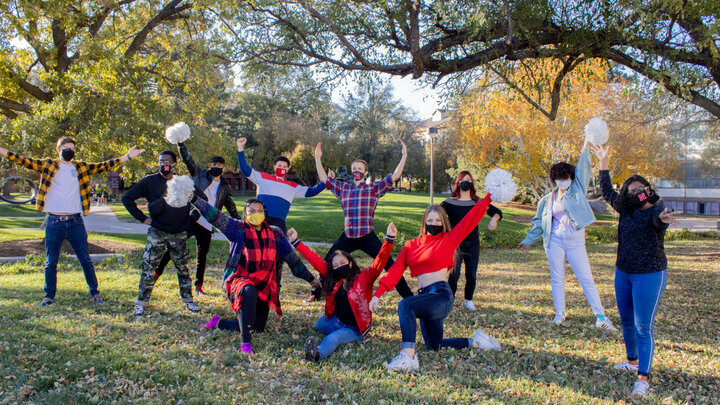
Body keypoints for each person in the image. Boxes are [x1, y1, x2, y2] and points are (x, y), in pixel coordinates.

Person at [0, 137, 143, 306]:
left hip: (75, 222)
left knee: (85, 260)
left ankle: (95, 293)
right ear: (58, 149)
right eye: (66, 147)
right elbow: (22, 160)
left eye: (72, 148)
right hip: (54, 222)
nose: (69, 150)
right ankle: (48, 296)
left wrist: (127, 156)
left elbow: (103, 165)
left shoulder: (81, 167)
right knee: (51, 261)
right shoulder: (47, 165)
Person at [369, 196, 502, 372]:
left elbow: (471, 219)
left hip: (440, 295)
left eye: (438, 220)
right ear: (424, 222)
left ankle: (408, 357)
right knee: (435, 345)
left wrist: (489, 198)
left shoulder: (449, 239)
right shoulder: (412, 245)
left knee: (405, 305)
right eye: (430, 220)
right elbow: (395, 271)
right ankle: (477, 342)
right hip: (424, 298)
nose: (434, 223)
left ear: (444, 222)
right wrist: (377, 294)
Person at [593, 144, 678, 396]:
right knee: (627, 323)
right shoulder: (625, 209)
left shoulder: (656, 210)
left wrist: (664, 219)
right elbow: (607, 190)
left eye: (641, 189)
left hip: (649, 274)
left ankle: (643, 376)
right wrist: (604, 161)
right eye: (631, 190)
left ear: (648, 190)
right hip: (624, 273)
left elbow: (660, 220)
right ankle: (631, 362)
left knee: (643, 327)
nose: (637, 192)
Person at [196, 198, 321, 354]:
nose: (256, 214)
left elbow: (292, 259)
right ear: (245, 214)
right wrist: (193, 199)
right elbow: (214, 215)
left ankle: (217, 322)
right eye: (252, 211)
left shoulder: (276, 233)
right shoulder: (237, 228)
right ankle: (245, 345)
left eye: (260, 211)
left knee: (257, 327)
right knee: (248, 291)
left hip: (265, 285)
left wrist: (311, 280)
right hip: (239, 280)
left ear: (264, 213)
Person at [519, 141, 617, 331]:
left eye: (566, 177)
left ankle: (600, 316)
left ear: (571, 178)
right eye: (559, 178)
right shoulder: (546, 201)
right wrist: (528, 241)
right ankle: (560, 313)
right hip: (553, 240)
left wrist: (586, 146)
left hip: (575, 240)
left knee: (585, 277)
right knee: (557, 278)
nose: (563, 180)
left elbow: (584, 167)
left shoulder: (577, 188)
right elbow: (539, 222)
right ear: (554, 179)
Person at [315, 141, 413, 299]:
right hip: (348, 237)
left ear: (365, 172)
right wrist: (317, 158)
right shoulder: (343, 188)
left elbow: (394, 176)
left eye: (360, 169)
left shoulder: (373, 188)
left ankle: (408, 296)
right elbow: (324, 179)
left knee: (390, 266)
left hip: (368, 237)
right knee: (327, 263)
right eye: (354, 168)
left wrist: (404, 156)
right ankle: (316, 292)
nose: (356, 171)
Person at [285, 223, 396, 362]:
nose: (339, 267)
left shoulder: (365, 278)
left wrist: (389, 239)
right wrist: (296, 242)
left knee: (332, 338)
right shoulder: (335, 279)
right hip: (337, 320)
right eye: (335, 265)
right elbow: (315, 260)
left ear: (350, 263)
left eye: (342, 263)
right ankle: (338, 331)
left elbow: (380, 260)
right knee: (318, 325)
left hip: (355, 328)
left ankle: (316, 354)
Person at [122, 150, 202, 316]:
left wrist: (191, 220)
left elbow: (203, 201)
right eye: (160, 161)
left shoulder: (183, 183)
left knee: (182, 268)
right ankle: (141, 303)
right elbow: (127, 198)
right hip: (157, 231)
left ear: (174, 164)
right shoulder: (150, 181)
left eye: (167, 161)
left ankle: (188, 301)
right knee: (149, 267)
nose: (163, 164)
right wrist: (142, 218)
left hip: (179, 233)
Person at [154, 142, 240, 295]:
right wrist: (181, 145)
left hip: (208, 223)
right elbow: (188, 160)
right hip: (191, 218)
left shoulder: (225, 187)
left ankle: (198, 286)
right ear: (210, 165)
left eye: (219, 165)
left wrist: (239, 221)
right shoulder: (199, 174)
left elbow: (230, 206)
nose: (216, 167)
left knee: (202, 256)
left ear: (223, 168)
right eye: (213, 164)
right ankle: (156, 274)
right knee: (174, 246)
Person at [441, 171, 503, 310]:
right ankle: (450, 301)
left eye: (468, 179)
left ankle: (469, 300)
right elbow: (436, 213)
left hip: (472, 243)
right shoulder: (450, 201)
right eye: (462, 179)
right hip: (455, 244)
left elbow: (497, 212)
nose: (465, 182)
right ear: (458, 182)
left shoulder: (478, 202)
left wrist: (494, 220)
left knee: (471, 274)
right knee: (453, 275)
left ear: (472, 183)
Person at [236, 137, 325, 233]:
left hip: (279, 222)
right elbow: (244, 169)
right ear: (274, 167)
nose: (282, 168)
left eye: (284, 167)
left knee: (279, 247)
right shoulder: (262, 178)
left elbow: (312, 191)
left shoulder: (292, 186)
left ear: (287, 169)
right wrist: (240, 148)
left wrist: (328, 181)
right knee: (257, 246)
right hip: (261, 219)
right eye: (279, 166)